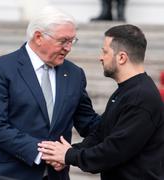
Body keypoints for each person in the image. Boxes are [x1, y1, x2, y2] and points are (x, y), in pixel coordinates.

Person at [0, 6, 101, 180]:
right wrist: (45, 153)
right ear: (38, 37)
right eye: (63, 41)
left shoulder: (74, 74)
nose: (68, 48)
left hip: (56, 175)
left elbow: (87, 123)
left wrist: (124, 113)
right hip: (7, 174)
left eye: (72, 41)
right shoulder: (0, 69)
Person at [39, 24, 164, 180]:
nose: (101, 57)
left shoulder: (141, 98)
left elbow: (114, 151)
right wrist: (68, 152)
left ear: (121, 57)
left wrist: (69, 156)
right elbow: (101, 133)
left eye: (105, 52)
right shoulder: (126, 90)